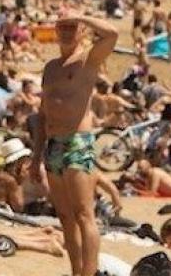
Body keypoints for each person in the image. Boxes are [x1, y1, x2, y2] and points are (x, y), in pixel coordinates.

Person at [34, 14, 116, 276]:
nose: (67, 32)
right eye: (63, 27)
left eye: (72, 28)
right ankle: (76, 271)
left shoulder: (87, 60)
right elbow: (42, 114)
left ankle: (89, 273)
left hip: (77, 143)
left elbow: (112, 33)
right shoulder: (50, 68)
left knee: (83, 214)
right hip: (53, 145)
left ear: (82, 31)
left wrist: (80, 16)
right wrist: (35, 158)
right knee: (66, 218)